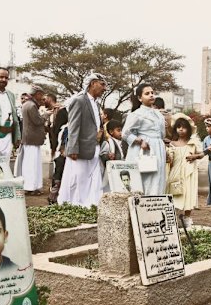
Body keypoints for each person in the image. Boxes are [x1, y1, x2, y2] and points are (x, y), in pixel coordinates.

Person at [58, 73, 108, 207]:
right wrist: (73, 148)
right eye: (102, 84)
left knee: (93, 179)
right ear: (93, 83)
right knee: (78, 180)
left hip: (94, 148)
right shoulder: (79, 100)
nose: (105, 89)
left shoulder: (96, 104)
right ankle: (75, 206)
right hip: (80, 149)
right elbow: (73, 127)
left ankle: (91, 205)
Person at [122, 83, 166, 196]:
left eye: (152, 93)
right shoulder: (136, 114)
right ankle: (142, 207)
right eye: (147, 94)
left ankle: (155, 206)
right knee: (145, 179)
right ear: (139, 98)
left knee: (158, 179)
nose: (151, 95)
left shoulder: (159, 114)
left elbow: (161, 134)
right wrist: (140, 141)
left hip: (158, 149)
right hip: (144, 150)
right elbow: (125, 133)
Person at [166, 115, 203, 228]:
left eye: (183, 127)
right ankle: (172, 216)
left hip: (188, 172)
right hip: (175, 171)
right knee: (173, 192)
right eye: (178, 127)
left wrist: (195, 157)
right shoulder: (172, 144)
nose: (181, 130)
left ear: (189, 129)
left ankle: (187, 217)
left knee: (188, 193)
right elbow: (170, 160)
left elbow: (201, 154)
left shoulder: (193, 143)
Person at [18, 85, 46, 195]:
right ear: (37, 94)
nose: (42, 96)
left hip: (29, 139)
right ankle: (32, 187)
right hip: (32, 139)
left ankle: (30, 186)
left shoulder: (26, 104)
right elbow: (37, 121)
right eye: (41, 94)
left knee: (29, 164)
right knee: (33, 165)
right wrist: (46, 115)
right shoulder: (31, 106)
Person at [99, 119, 128, 192]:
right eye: (118, 130)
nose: (121, 133)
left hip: (120, 168)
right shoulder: (107, 142)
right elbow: (103, 155)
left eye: (122, 130)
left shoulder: (122, 142)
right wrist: (108, 156)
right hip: (110, 170)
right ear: (111, 132)